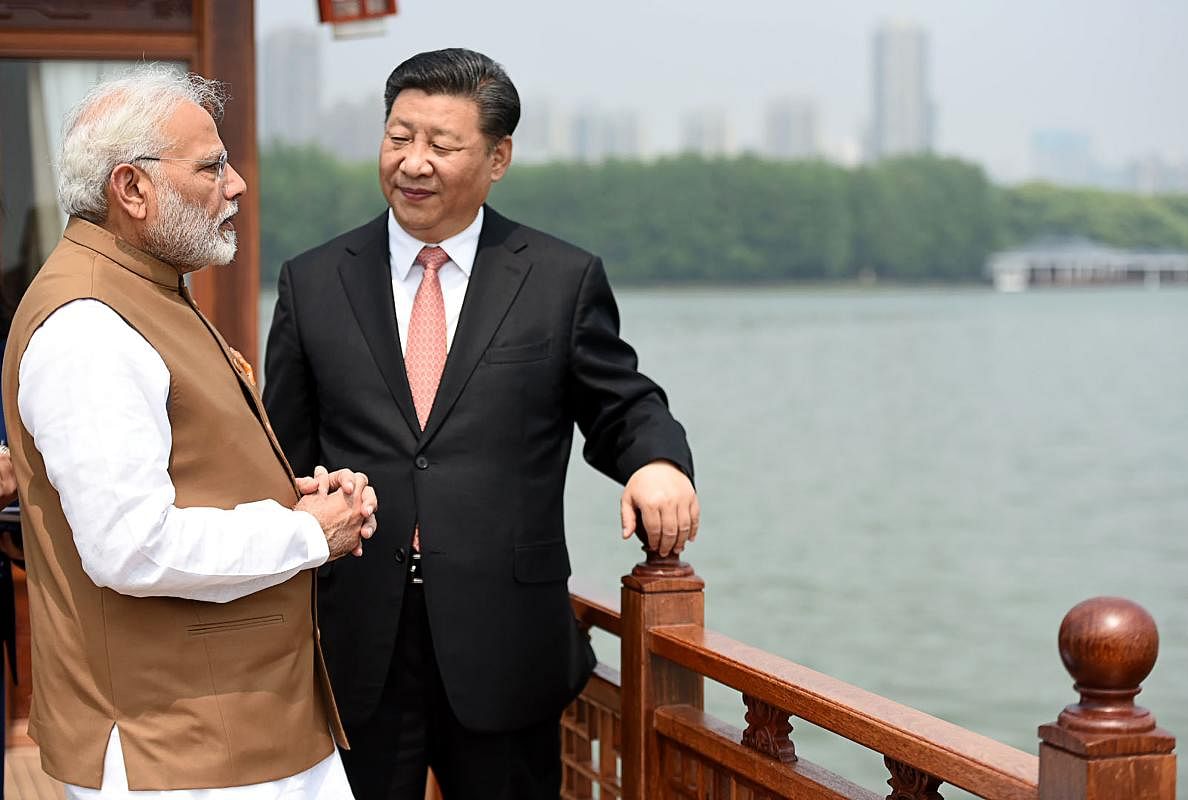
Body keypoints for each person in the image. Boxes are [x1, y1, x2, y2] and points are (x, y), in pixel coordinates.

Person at [263, 48, 700, 799]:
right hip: (356, 640)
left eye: (442, 144)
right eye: (399, 137)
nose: (413, 162)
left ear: (498, 158)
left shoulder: (560, 279)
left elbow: (621, 402)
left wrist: (656, 463)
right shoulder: (314, 280)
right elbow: (279, 452)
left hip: (507, 644)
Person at [0, 65, 379, 798]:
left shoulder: (146, 287)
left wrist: (299, 500)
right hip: (176, 751)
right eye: (211, 166)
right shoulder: (88, 327)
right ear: (131, 190)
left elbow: (183, 478)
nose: (236, 184)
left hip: (232, 731)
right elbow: (131, 547)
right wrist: (306, 535)